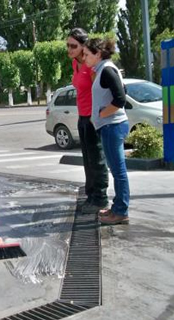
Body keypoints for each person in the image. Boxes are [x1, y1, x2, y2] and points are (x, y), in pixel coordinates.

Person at [83, 38, 130, 225]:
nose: (84, 57)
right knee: (116, 170)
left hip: (112, 126)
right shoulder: (104, 69)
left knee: (118, 171)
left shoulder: (107, 70)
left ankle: (121, 212)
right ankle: (117, 207)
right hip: (110, 126)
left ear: (98, 54)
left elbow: (120, 99)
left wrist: (102, 114)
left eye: (87, 54)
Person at [67, 28, 109, 214]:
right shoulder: (75, 65)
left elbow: (101, 91)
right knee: (87, 160)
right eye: (68, 45)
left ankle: (100, 198)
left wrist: (98, 116)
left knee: (97, 160)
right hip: (82, 117)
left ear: (83, 46)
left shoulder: (90, 66)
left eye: (73, 46)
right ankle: (91, 195)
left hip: (93, 118)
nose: (69, 49)